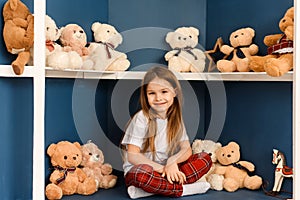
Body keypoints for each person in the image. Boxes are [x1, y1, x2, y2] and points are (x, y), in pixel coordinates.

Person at [121, 66, 212, 199]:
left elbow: (186, 149)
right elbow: (133, 156)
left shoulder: (175, 118)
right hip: (147, 170)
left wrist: (172, 162)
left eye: (164, 91)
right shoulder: (142, 117)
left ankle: (151, 191)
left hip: (168, 169)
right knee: (141, 175)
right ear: (145, 95)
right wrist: (163, 170)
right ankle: (182, 190)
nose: (158, 98)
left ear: (174, 93)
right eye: (152, 93)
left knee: (205, 158)